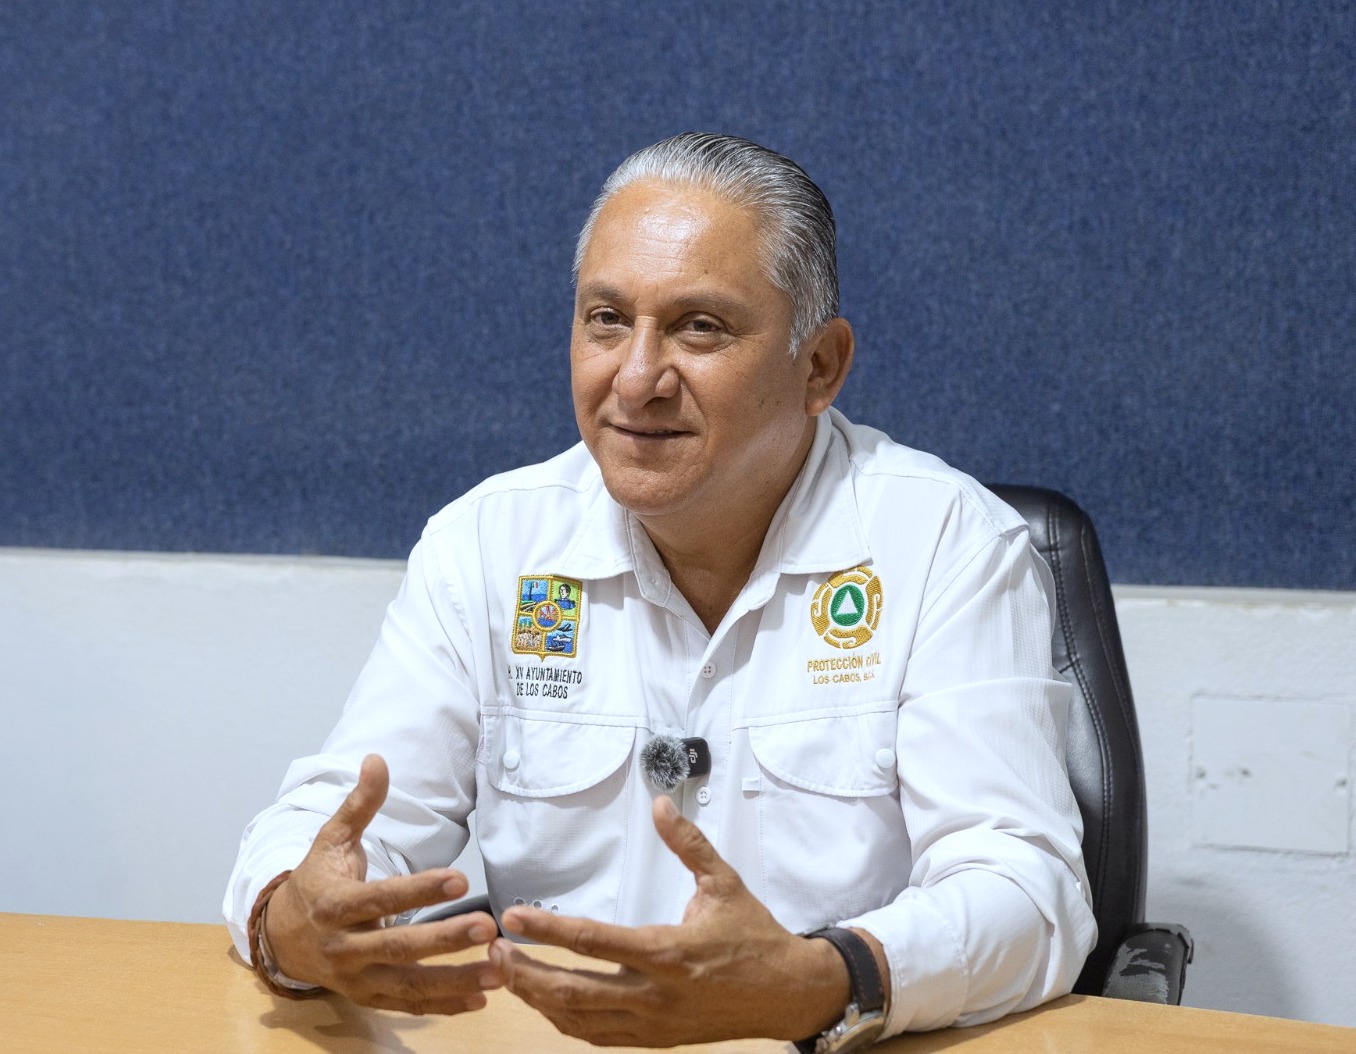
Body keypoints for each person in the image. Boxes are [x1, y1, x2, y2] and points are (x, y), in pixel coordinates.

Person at [225, 132, 1096, 1050]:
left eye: (699, 327)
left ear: (819, 367)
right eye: (606, 319)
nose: (636, 378)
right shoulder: (487, 547)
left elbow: (1025, 888)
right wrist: (293, 923)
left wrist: (820, 982)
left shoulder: (946, 545)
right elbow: (332, 831)